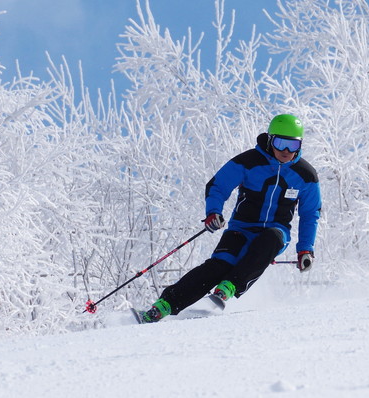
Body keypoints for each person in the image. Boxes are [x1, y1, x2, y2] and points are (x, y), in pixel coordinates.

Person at [138, 114, 322, 323]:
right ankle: (163, 306)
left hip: (276, 231)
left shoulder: (306, 175)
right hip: (241, 229)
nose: (286, 151)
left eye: (292, 144)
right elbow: (218, 185)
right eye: (281, 143)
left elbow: (310, 214)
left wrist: (305, 250)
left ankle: (228, 287)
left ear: (299, 145)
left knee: (270, 239)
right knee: (218, 266)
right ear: (270, 140)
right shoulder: (248, 162)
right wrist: (213, 212)